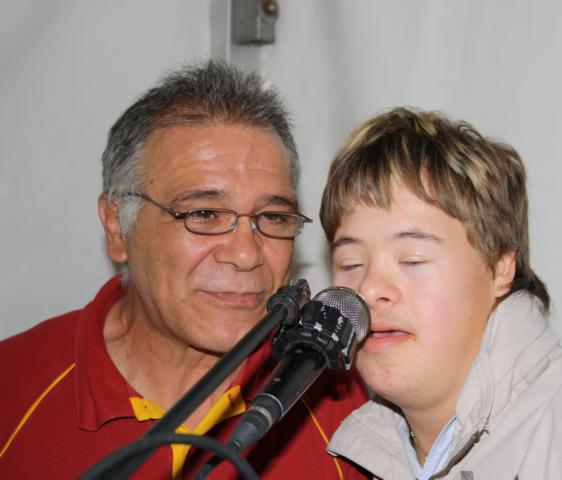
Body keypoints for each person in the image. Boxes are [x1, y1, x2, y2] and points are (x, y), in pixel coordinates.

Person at [0, 60, 367, 479]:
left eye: (272, 217)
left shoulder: (348, 408)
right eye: (204, 213)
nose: (245, 255)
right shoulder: (12, 392)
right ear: (117, 226)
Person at [321, 107, 562, 479]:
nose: (369, 289)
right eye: (351, 264)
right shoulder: (349, 450)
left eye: (412, 259)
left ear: (500, 266)